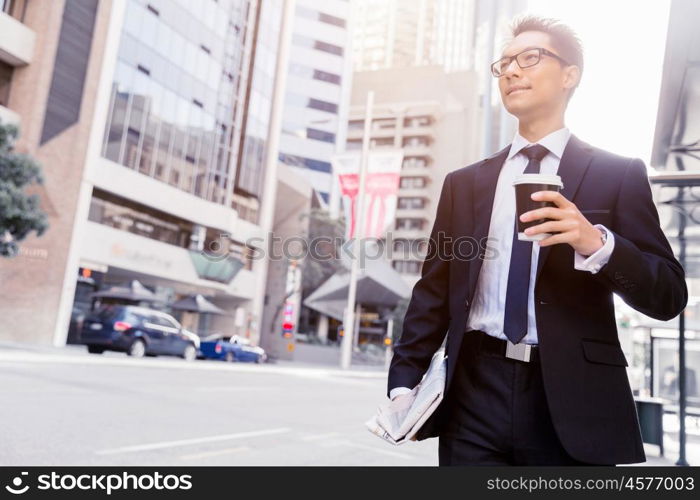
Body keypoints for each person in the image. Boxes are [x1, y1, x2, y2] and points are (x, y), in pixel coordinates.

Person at [386, 15, 688, 466]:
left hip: (572, 400)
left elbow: (668, 294)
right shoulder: (464, 184)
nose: (511, 71)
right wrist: (402, 383)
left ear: (570, 75)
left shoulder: (618, 174)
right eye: (503, 63)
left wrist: (597, 243)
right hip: (472, 393)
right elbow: (433, 291)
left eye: (529, 58)